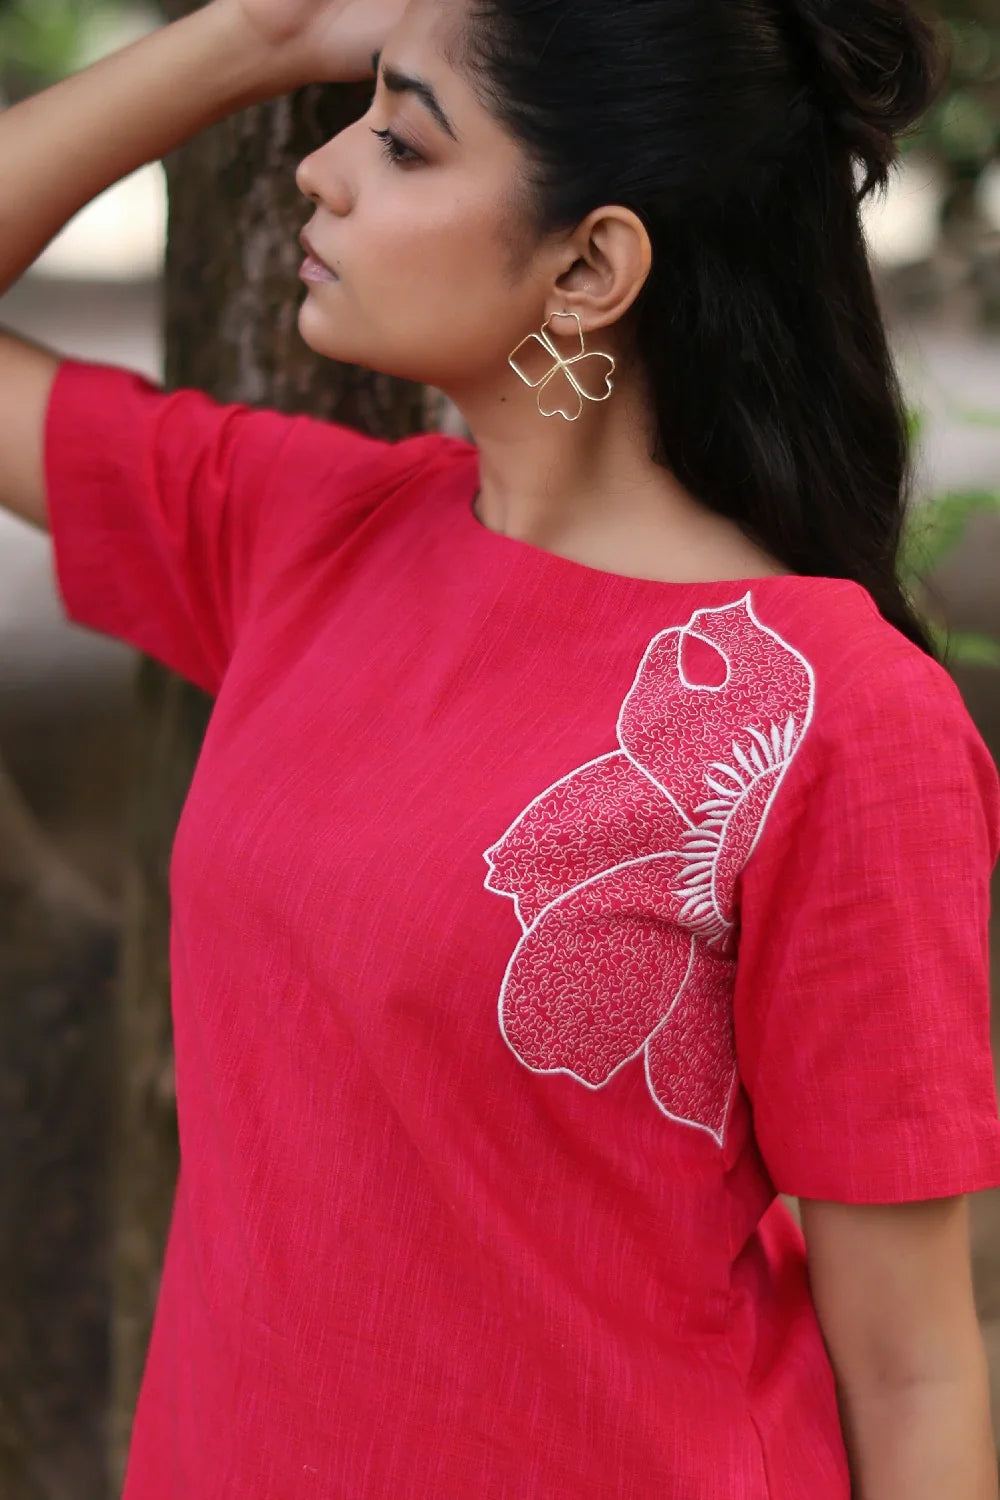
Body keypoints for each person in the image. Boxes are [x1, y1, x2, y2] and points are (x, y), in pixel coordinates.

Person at [1, 0, 999, 1494]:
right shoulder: (311, 534)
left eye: (403, 143)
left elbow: (913, 1368)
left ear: (590, 267)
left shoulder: (832, 715)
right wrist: (257, 40)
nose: (320, 171)